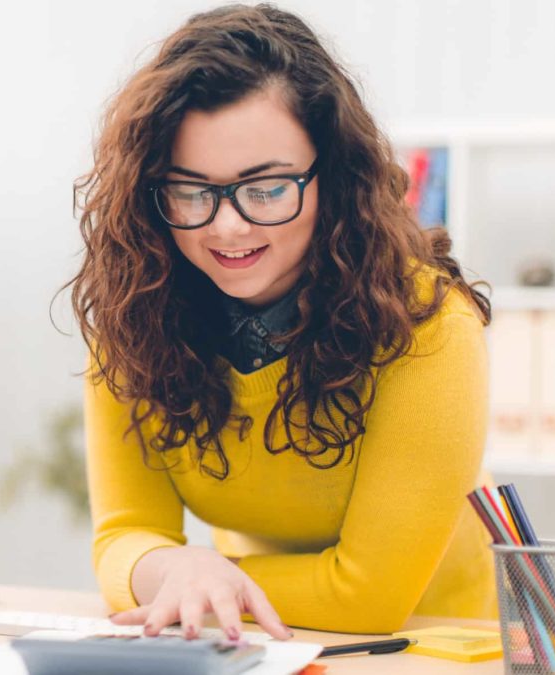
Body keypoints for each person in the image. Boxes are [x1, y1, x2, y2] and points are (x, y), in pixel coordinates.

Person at [66, 3, 495, 640]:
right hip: (263, 643)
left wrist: (198, 580)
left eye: (266, 188)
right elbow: (125, 538)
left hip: (430, 649)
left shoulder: (427, 326)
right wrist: (180, 568)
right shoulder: (137, 316)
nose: (227, 226)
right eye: (190, 190)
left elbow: (367, 599)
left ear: (335, 179)